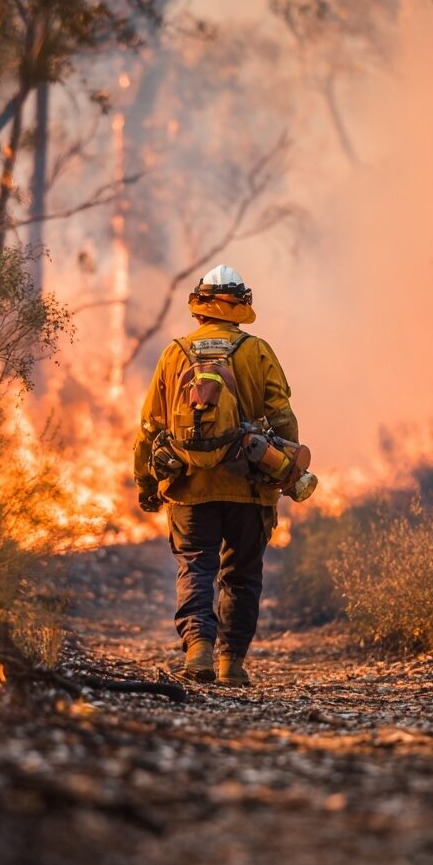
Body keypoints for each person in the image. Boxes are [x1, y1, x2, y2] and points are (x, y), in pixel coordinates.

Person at [133, 264, 299, 686]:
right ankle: (231, 664)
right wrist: (287, 471)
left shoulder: (175, 353)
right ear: (240, 305)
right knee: (242, 575)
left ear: (200, 305)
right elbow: (282, 417)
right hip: (250, 485)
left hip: (189, 487)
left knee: (195, 567)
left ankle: (198, 651)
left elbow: (150, 428)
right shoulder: (257, 351)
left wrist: (146, 483)